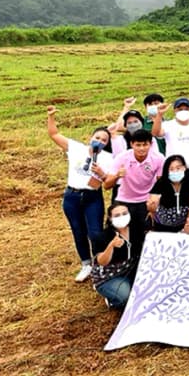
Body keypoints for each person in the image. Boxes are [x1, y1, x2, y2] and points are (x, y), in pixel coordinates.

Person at [47, 105, 114, 282]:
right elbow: (54, 134)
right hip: (72, 197)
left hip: (92, 198)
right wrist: (51, 117)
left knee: (95, 232)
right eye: (97, 137)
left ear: (107, 144)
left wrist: (101, 174)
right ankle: (86, 264)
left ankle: (100, 262)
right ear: (90, 137)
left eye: (104, 140)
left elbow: (107, 183)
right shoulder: (77, 148)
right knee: (78, 230)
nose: (100, 141)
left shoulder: (108, 158)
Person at [102, 129, 164, 260]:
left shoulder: (158, 159)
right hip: (124, 200)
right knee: (119, 232)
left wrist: (155, 199)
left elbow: (161, 183)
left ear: (150, 144)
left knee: (145, 233)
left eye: (145, 145)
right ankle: (119, 260)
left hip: (145, 201)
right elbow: (107, 185)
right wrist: (117, 175)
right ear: (132, 144)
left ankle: (144, 261)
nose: (141, 148)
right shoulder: (122, 158)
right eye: (138, 145)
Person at [92, 203, 139, 309]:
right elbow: (102, 261)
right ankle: (112, 301)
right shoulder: (102, 237)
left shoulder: (136, 231)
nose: (122, 217)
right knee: (125, 297)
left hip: (130, 271)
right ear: (110, 218)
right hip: (109, 276)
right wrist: (111, 246)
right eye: (117, 215)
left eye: (124, 213)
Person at [148, 154, 189, 232]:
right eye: (171, 169)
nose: (175, 171)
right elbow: (153, 205)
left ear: (184, 168)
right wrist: (151, 206)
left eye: (178, 168)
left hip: (185, 222)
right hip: (163, 224)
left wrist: (187, 226)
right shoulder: (161, 183)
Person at [152, 97, 189, 181]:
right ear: (175, 111)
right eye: (180, 109)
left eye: (186, 109)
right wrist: (159, 115)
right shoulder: (168, 125)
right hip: (174, 170)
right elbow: (156, 133)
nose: (183, 111)